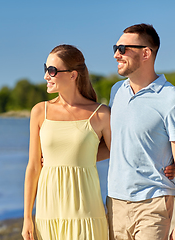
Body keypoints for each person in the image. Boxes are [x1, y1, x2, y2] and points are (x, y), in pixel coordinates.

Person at [106, 23, 175, 240]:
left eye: (124, 48)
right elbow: (114, 144)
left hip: (153, 203)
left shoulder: (173, 100)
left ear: (146, 53)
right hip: (114, 203)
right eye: (116, 48)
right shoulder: (116, 92)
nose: (117, 54)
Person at [22, 44, 112, 240]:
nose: (46, 75)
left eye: (52, 70)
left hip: (86, 212)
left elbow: (120, 154)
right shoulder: (39, 111)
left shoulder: (101, 114)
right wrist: (27, 217)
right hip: (48, 213)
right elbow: (33, 166)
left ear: (73, 75)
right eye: (45, 69)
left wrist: (168, 162)